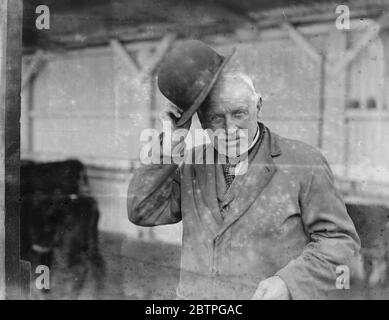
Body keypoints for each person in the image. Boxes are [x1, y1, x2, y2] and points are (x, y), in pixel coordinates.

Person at [127, 40, 361, 299]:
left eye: (239, 114)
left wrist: (289, 283)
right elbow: (142, 212)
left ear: (258, 106)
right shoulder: (192, 164)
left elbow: (340, 242)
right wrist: (166, 150)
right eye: (216, 118)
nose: (230, 131)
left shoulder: (304, 162)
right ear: (199, 120)